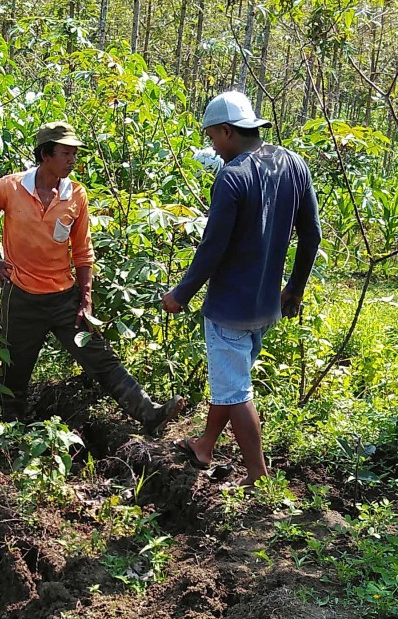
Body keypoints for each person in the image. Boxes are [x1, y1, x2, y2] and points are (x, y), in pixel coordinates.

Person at [0, 121, 185, 433]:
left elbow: (83, 251)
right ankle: (10, 431)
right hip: (21, 297)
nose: (72, 160)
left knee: (101, 358)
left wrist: (85, 299)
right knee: (15, 367)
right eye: (66, 154)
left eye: (74, 154)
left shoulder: (75, 195)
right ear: (45, 155)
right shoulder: (12, 188)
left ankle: (148, 412)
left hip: (64, 299)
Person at [161, 91, 322, 485]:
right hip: (267, 305)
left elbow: (213, 247)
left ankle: (258, 477)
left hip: (229, 308)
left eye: (213, 137)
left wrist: (180, 293)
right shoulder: (293, 164)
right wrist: (294, 290)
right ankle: (204, 445)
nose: (212, 146)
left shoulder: (232, 177)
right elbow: (312, 235)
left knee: (236, 392)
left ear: (228, 131)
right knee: (230, 377)